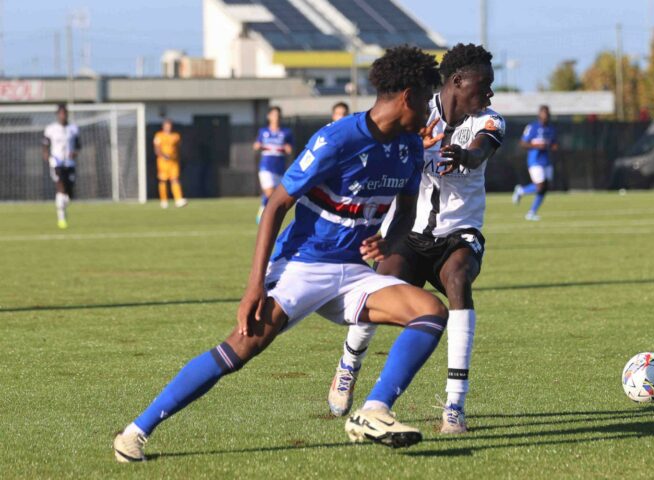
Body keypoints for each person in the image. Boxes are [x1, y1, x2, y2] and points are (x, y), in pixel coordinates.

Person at [113, 45, 444, 463]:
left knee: (430, 310)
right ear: (409, 96)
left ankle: (374, 411)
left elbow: (408, 206)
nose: (431, 112)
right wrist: (254, 286)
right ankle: (135, 433)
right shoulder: (337, 138)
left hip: (354, 273)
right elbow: (275, 205)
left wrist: (388, 240)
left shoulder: (409, 147)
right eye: (429, 100)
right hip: (302, 266)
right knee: (241, 348)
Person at [328, 43, 505, 434]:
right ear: (458, 81)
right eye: (485, 84)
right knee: (378, 284)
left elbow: (480, 152)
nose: (490, 93)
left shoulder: (490, 121)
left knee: (458, 280)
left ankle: (454, 405)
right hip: (410, 232)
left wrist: (463, 155)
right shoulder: (421, 114)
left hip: (459, 234)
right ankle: (348, 364)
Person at [512, 105, 558, 220]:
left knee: (545, 187)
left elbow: (554, 144)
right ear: (539, 115)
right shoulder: (532, 127)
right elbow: (522, 143)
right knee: (540, 186)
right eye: (543, 114)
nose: (546, 116)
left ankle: (531, 212)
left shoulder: (551, 128)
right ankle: (521, 190)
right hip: (535, 160)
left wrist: (553, 146)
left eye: (547, 114)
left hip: (546, 160)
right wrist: (536, 145)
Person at [43, 104, 80, 229]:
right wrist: (48, 157)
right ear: (58, 114)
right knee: (60, 187)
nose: (63, 115)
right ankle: (61, 218)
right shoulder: (51, 129)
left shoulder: (73, 129)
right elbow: (45, 145)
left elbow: (78, 146)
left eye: (65, 113)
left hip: (69, 163)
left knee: (69, 194)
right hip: (56, 162)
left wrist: (75, 153)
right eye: (61, 113)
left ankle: (63, 208)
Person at [253, 106, 293, 223]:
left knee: (274, 195)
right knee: (269, 192)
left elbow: (290, 149)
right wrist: (257, 146)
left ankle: (263, 208)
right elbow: (256, 145)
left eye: (278, 115)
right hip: (266, 166)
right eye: (274, 115)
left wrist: (287, 148)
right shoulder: (263, 132)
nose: (276, 117)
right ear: (269, 116)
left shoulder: (286, 132)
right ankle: (264, 213)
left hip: (280, 167)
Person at [153, 119, 188, 209]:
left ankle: (178, 200)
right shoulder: (158, 136)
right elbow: (156, 149)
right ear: (163, 126)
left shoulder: (176, 136)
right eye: (166, 126)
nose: (168, 127)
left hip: (173, 162)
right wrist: (163, 155)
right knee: (163, 180)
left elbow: (178, 147)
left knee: (175, 179)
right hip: (163, 161)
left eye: (169, 126)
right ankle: (164, 201)